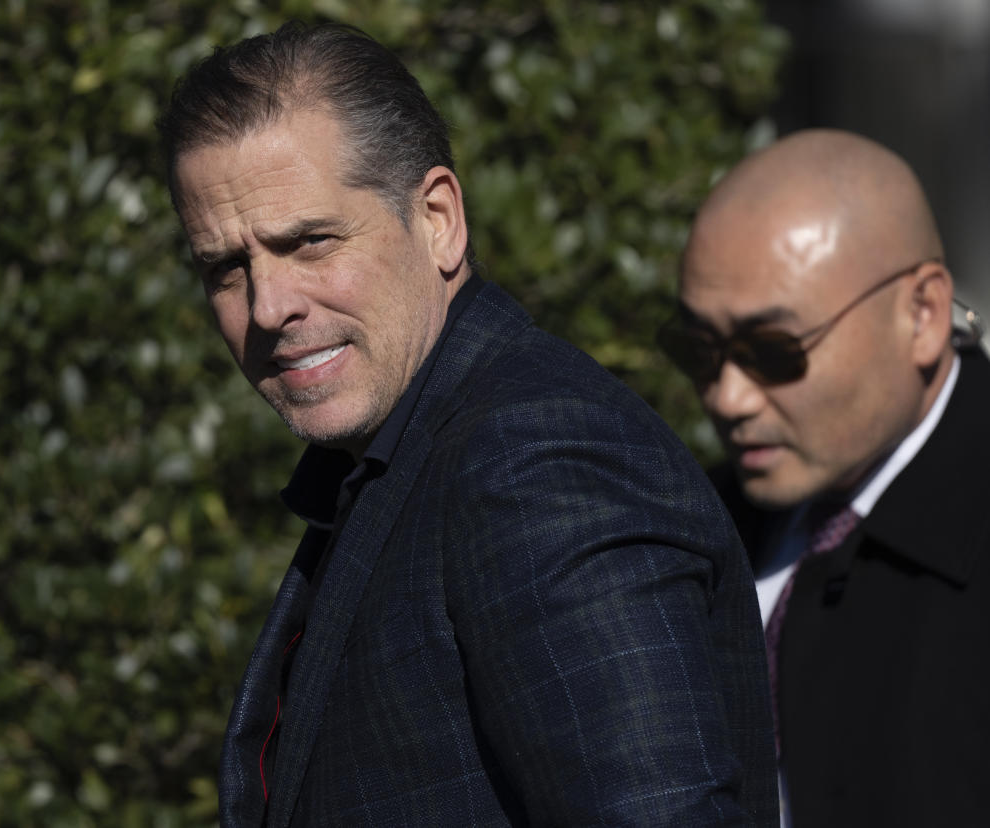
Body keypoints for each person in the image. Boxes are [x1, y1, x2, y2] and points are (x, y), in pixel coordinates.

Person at [161, 22, 777, 826]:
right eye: (225, 269)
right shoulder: (403, 454)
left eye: (310, 242)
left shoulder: (538, 463)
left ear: (440, 219)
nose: (269, 307)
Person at [662, 128, 990, 826]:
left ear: (923, 314)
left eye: (774, 350)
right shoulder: (688, 525)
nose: (729, 397)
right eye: (698, 349)